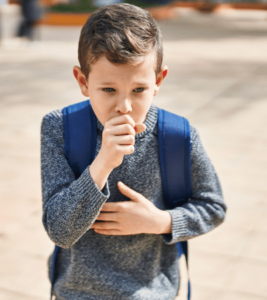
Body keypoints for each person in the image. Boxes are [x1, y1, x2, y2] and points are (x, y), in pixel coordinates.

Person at [40, 3, 227, 300]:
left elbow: (213, 207)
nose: (124, 107)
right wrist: (101, 165)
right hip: (75, 293)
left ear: (159, 81)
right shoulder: (59, 128)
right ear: (83, 82)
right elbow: (60, 231)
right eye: (108, 90)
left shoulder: (178, 135)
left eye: (139, 90)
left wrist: (161, 221)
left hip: (153, 294)